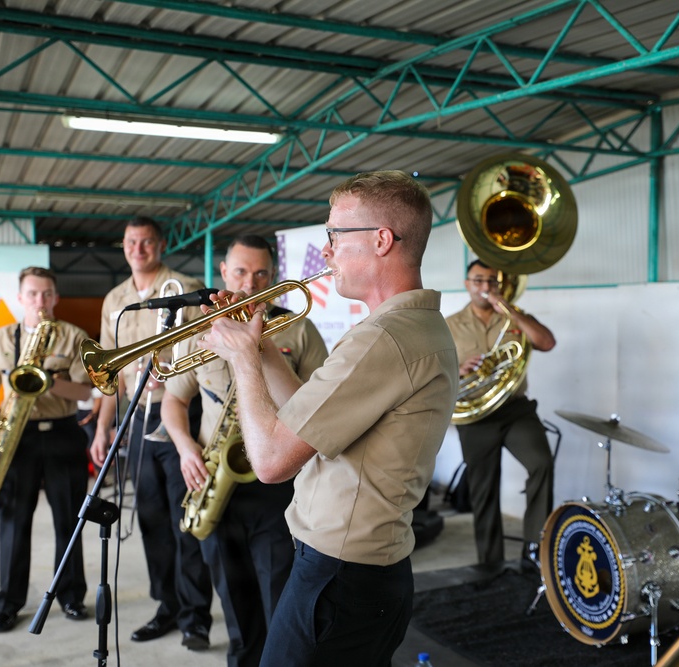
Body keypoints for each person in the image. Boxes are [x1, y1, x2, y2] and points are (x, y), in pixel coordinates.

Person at [197, 170, 458, 666]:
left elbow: (272, 462)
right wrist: (266, 349)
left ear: (382, 240)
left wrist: (243, 361)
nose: (328, 251)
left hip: (338, 577)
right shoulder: (413, 326)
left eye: (336, 234)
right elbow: (313, 421)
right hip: (367, 572)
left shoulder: (383, 339)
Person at [162, 234, 328, 667]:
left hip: (275, 484)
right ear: (222, 273)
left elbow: (320, 408)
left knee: (279, 598)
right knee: (234, 604)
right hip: (214, 478)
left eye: (260, 274)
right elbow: (173, 401)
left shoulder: (299, 328)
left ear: (272, 277)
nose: (249, 282)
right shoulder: (200, 329)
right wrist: (184, 448)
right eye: (240, 272)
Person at [89, 216, 213, 650]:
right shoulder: (115, 299)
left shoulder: (183, 285)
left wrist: (171, 374)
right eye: (130, 242)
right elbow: (112, 373)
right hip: (138, 420)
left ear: (160, 246)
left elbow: (206, 345)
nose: (137, 249)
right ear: (123, 247)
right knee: (152, 521)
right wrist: (104, 428)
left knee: (185, 521)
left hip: (180, 412)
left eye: (146, 242)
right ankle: (167, 607)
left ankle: (196, 616)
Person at [0, 267, 93, 632]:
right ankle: (9, 604)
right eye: (32, 294)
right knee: (13, 523)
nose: (39, 302)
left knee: (69, 521)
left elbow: (86, 392)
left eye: (46, 294)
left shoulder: (73, 337)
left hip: (62, 433)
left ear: (56, 297)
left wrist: (47, 382)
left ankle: (72, 597)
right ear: (20, 297)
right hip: (16, 436)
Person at [445, 259, 556, 569]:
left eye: (491, 282)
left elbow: (546, 342)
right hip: (475, 415)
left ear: (502, 285)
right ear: (467, 284)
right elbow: (433, 372)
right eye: (478, 280)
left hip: (515, 410)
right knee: (483, 489)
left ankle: (534, 555)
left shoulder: (516, 318)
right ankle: (490, 565)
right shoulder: (449, 324)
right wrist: (458, 369)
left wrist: (507, 307)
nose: (484, 287)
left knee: (541, 464)